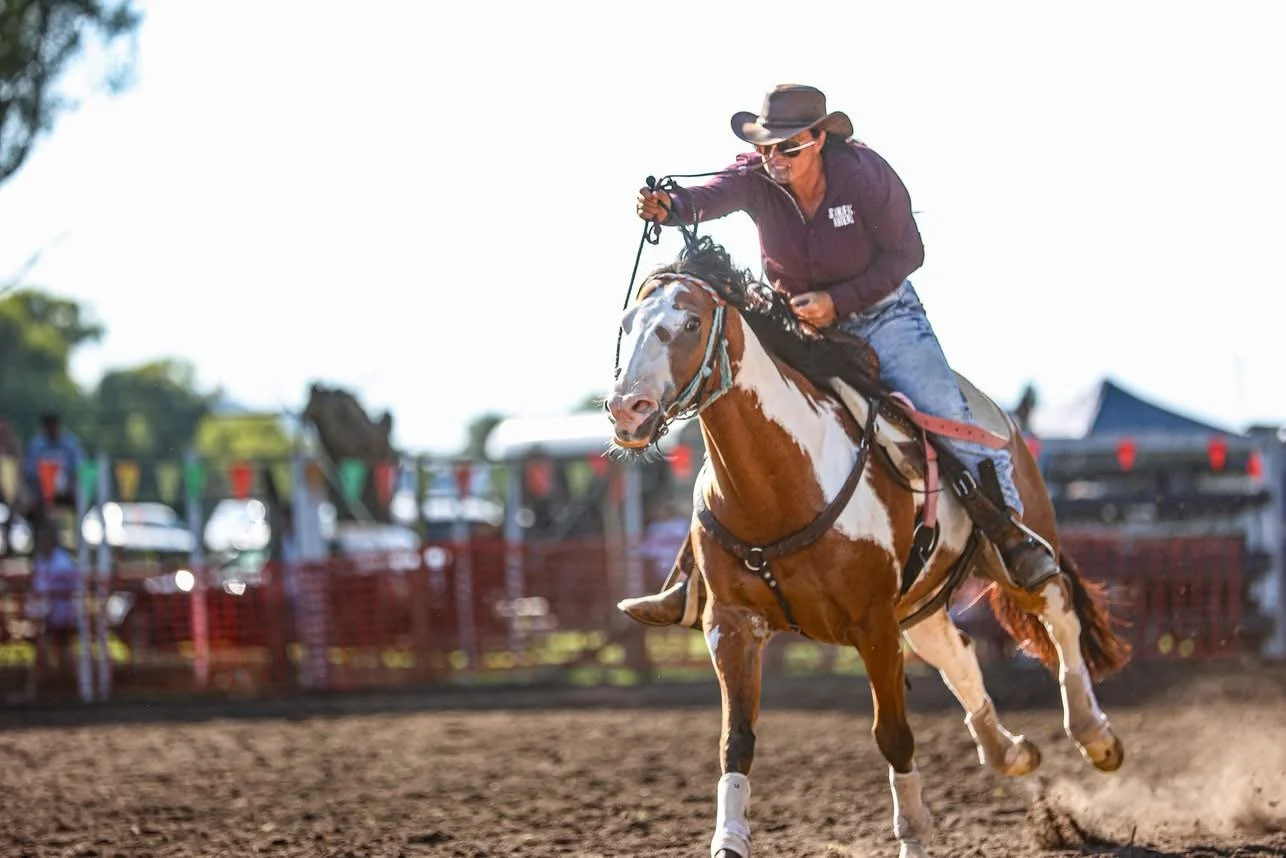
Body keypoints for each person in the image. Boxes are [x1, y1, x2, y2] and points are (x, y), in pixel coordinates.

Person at [619, 84, 1059, 627]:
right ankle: (690, 577)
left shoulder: (866, 176)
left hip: (884, 314)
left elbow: (908, 252)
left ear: (820, 139)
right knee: (742, 416)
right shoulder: (756, 177)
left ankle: (1009, 533)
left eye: (788, 148)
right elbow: (713, 194)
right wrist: (672, 207)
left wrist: (840, 301)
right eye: (766, 148)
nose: (774, 160)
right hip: (795, 320)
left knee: (944, 413)